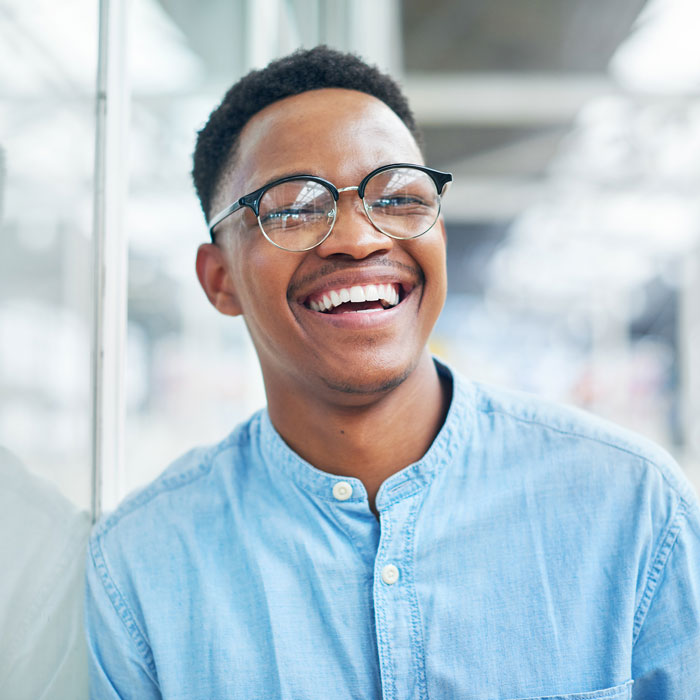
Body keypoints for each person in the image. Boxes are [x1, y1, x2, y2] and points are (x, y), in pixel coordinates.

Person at [84, 46, 700, 699]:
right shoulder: (141, 571)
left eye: (399, 196)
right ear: (220, 280)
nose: (359, 238)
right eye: (293, 208)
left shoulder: (632, 509)